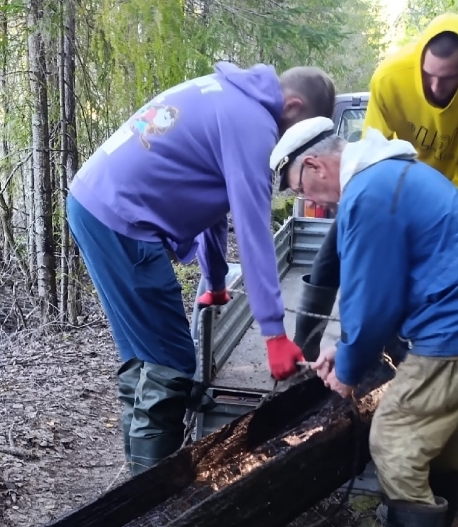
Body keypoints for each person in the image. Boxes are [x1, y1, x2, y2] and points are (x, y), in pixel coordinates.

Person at [270, 119, 458, 527]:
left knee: (394, 435)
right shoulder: (388, 173)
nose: (309, 200)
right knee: (449, 427)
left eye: (299, 188)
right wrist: (344, 349)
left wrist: (348, 370)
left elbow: (372, 301)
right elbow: (385, 287)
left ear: (314, 165)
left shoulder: (367, 194)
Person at [68, 65, 336, 475]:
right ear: (294, 107)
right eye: (298, 135)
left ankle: (133, 486)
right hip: (124, 221)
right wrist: (274, 334)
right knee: (171, 363)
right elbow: (253, 232)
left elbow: (212, 205)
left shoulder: (227, 95)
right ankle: (150, 496)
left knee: (143, 357)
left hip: (92, 203)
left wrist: (215, 281)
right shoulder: (254, 126)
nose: (292, 152)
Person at [292, 13, 458, 373]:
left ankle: (427, 360)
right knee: (335, 257)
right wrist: (368, 217)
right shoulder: (391, 76)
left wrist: (422, 231)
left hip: (443, 197)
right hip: (386, 186)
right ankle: (306, 354)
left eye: (449, 78)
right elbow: (370, 151)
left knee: (426, 277)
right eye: (428, 76)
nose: (436, 87)